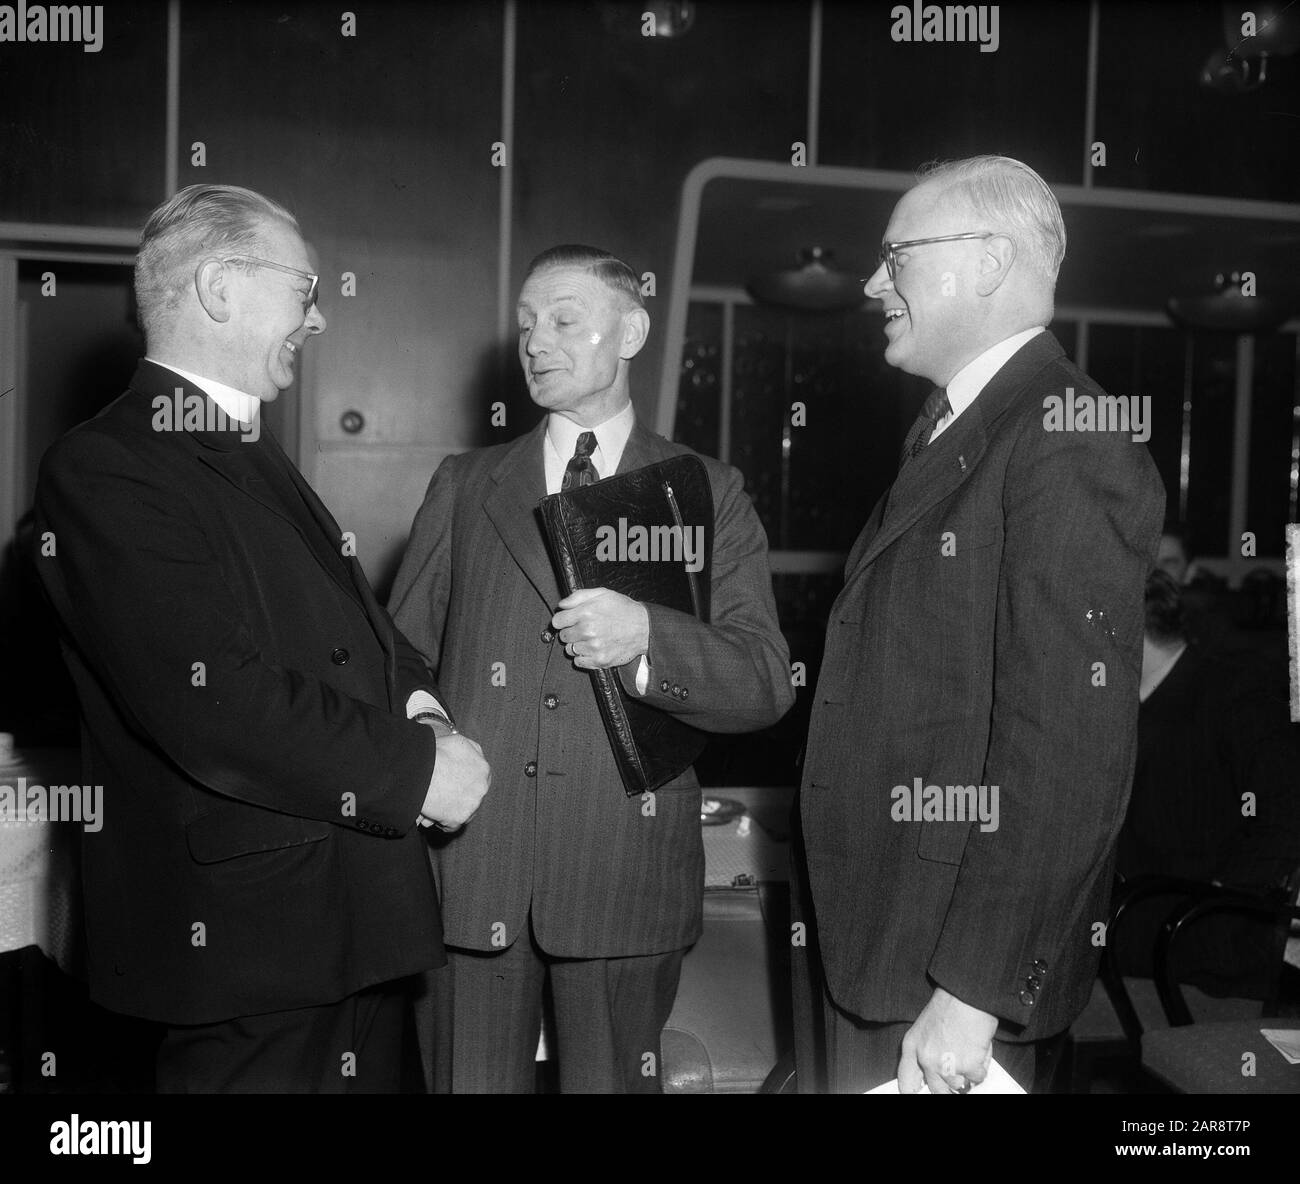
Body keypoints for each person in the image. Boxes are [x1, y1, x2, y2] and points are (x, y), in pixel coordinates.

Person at [32, 184, 490, 1093]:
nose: (316, 319)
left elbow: (364, 634)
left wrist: (426, 714)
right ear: (219, 288)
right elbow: (212, 701)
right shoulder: (107, 466)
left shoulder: (245, 447)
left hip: (349, 927)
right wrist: (416, 770)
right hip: (249, 950)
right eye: (304, 289)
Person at [795, 156, 1165, 1094]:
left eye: (898, 256)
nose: (876, 282)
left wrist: (975, 990)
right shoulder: (963, 428)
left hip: (948, 981)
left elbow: (1069, 743)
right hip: (885, 946)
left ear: (990, 262)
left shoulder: (1068, 429)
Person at [390, 244, 793, 1093]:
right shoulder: (466, 485)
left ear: (632, 329)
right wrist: (426, 729)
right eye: (528, 325)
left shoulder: (707, 491)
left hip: (624, 874)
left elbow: (763, 680)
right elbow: (401, 655)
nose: (537, 342)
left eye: (564, 320)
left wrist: (651, 634)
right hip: (472, 869)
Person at [1113, 569, 1300, 999]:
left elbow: (1285, 816)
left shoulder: (1235, 693)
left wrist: (1216, 899)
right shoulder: (1123, 705)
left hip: (1192, 944)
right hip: (1135, 920)